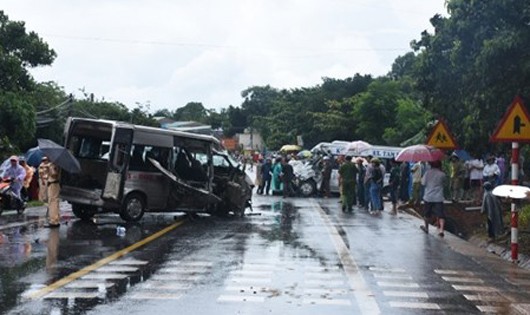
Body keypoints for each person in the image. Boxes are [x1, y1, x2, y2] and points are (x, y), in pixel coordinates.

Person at [420, 160, 447, 237]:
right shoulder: (442, 174)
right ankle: (441, 229)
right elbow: (445, 183)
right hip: (438, 197)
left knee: (427, 214)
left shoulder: (427, 173)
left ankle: (426, 228)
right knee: (441, 214)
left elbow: (423, 183)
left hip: (428, 197)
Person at [46, 159, 61, 228]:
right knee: (54, 201)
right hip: (54, 184)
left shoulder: (54, 164)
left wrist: (49, 169)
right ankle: (56, 219)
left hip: (53, 183)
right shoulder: (56, 164)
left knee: (53, 202)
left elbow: (54, 174)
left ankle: (53, 221)